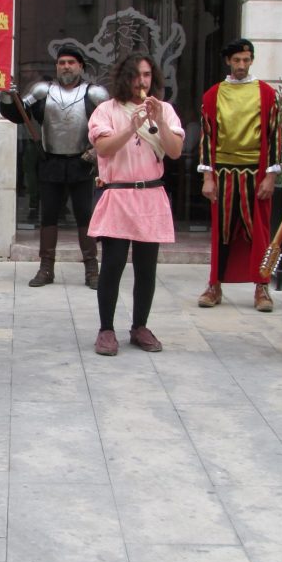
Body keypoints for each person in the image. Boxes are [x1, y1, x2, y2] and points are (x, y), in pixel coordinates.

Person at [88, 52, 184, 355]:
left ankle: (140, 326)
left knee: (146, 267)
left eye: (146, 75)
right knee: (113, 264)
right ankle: (106, 330)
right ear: (124, 78)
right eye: (135, 75)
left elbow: (175, 151)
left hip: (150, 195)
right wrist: (132, 127)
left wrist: (159, 121)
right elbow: (104, 148)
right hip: (119, 194)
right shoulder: (106, 110)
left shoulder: (165, 110)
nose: (141, 82)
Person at [0, 44, 108, 287]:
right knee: (48, 217)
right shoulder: (42, 92)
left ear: (81, 66)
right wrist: (7, 97)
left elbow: (113, 123)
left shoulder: (95, 95)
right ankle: (46, 269)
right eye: (62, 63)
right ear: (57, 66)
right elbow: (19, 114)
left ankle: (92, 270)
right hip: (51, 162)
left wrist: (97, 151)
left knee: (84, 217)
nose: (66, 67)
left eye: (71, 62)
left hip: (82, 162)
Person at [198, 38, 280, 312]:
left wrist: (271, 176)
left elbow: (274, 135)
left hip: (256, 172)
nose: (241, 65)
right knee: (221, 232)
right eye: (236, 60)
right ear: (228, 61)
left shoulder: (266, 93)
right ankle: (214, 285)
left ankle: (262, 286)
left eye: (246, 60)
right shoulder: (213, 95)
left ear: (252, 60)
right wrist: (207, 177)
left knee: (260, 232)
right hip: (222, 172)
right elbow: (207, 137)